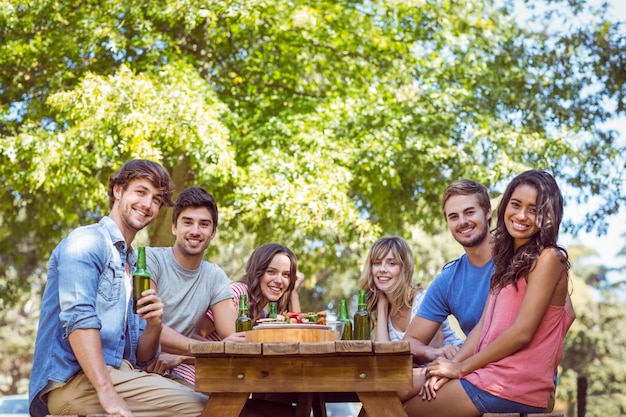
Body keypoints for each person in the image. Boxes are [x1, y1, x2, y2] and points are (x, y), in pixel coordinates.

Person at [29, 159, 208, 417]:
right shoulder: (87, 241)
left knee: (211, 396)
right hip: (75, 383)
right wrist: (107, 392)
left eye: (156, 199)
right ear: (118, 191)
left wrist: (155, 324)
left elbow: (143, 357)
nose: (147, 204)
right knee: (203, 409)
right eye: (141, 192)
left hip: (122, 373)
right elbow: (79, 320)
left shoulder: (134, 266)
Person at [404, 169, 576, 417]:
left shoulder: (549, 258)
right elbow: (482, 327)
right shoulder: (507, 261)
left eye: (534, 209)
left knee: (399, 410)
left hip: (511, 384)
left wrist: (461, 368)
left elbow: (523, 332)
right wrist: (450, 367)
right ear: (504, 206)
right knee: (389, 388)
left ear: (547, 215)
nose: (521, 215)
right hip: (486, 374)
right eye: (515, 205)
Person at [143, 186, 238, 385]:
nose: (195, 231)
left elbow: (234, 340)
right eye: (188, 222)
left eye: (204, 224)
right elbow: (144, 324)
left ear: (213, 233)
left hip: (169, 373)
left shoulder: (215, 277)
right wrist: (211, 349)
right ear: (174, 227)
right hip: (135, 367)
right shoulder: (150, 261)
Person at [403, 179, 494, 365]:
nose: (463, 222)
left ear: (487, 212)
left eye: (469, 212)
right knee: (399, 385)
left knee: (404, 390)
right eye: (453, 216)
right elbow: (409, 342)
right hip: (471, 371)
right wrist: (434, 353)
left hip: (512, 376)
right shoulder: (449, 279)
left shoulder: (518, 259)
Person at [357, 236, 463, 346]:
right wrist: (381, 306)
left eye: (391, 263)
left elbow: (431, 355)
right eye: (377, 263)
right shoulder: (384, 308)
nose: (382, 269)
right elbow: (382, 356)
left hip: (460, 360)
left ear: (404, 268)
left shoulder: (423, 301)